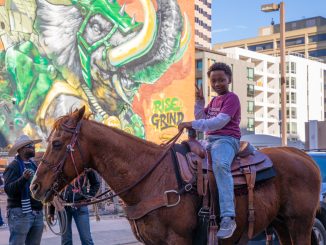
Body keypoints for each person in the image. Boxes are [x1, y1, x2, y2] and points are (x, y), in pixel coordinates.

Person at [178, 62, 241, 239]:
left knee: (221, 165)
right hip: (209, 140)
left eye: (221, 79)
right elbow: (202, 117)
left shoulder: (232, 98)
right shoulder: (214, 100)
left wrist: (191, 124)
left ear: (229, 79)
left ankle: (228, 216)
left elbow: (218, 122)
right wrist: (199, 102)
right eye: (214, 81)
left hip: (226, 140)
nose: (218, 83)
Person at [3, 135, 44, 245]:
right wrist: (23, 179)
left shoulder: (34, 166)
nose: (33, 148)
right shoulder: (13, 167)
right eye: (30, 146)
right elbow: (9, 190)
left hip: (37, 213)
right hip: (20, 213)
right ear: (21, 149)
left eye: (33, 146)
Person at [49, 170, 100, 245]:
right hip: (62, 207)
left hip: (80, 206)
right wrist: (51, 211)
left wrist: (87, 198)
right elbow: (53, 189)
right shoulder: (60, 163)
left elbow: (96, 184)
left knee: (86, 240)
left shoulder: (84, 165)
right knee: (66, 241)